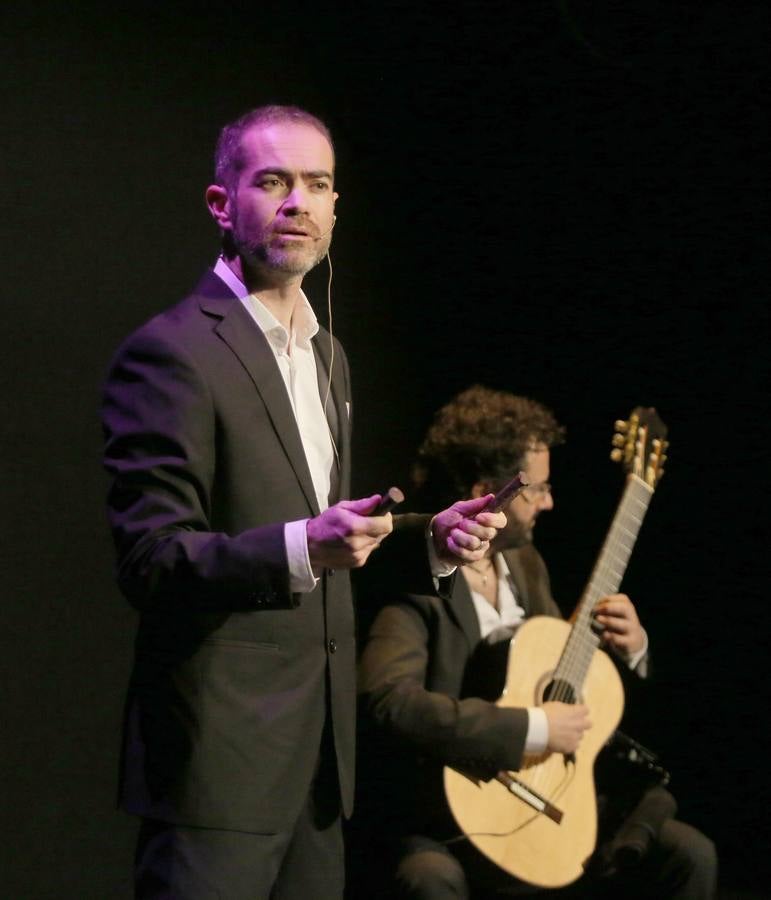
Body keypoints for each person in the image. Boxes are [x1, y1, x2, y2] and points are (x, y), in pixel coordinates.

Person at [101, 107, 504, 900]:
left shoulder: (327, 354)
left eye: (317, 184)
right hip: (220, 765)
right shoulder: (172, 353)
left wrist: (429, 538)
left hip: (321, 764)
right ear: (222, 203)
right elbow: (151, 559)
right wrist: (301, 548)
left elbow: (324, 527)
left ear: (335, 206)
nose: (298, 203)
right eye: (274, 182)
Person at [355, 385, 717, 899]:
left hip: (542, 794)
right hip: (450, 808)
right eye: (537, 489)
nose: (550, 501)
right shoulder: (416, 583)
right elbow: (389, 702)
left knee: (687, 853)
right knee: (429, 880)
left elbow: (554, 668)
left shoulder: (525, 563)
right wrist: (532, 726)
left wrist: (630, 647)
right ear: (488, 490)